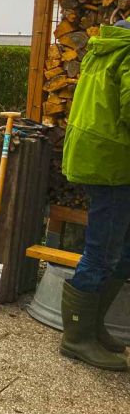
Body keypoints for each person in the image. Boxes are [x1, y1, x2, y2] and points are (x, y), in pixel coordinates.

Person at [61, 20, 130, 371]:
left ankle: (94, 326)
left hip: (100, 154)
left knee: (123, 248)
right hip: (112, 162)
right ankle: (76, 338)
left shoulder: (107, 45)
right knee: (103, 250)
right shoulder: (126, 50)